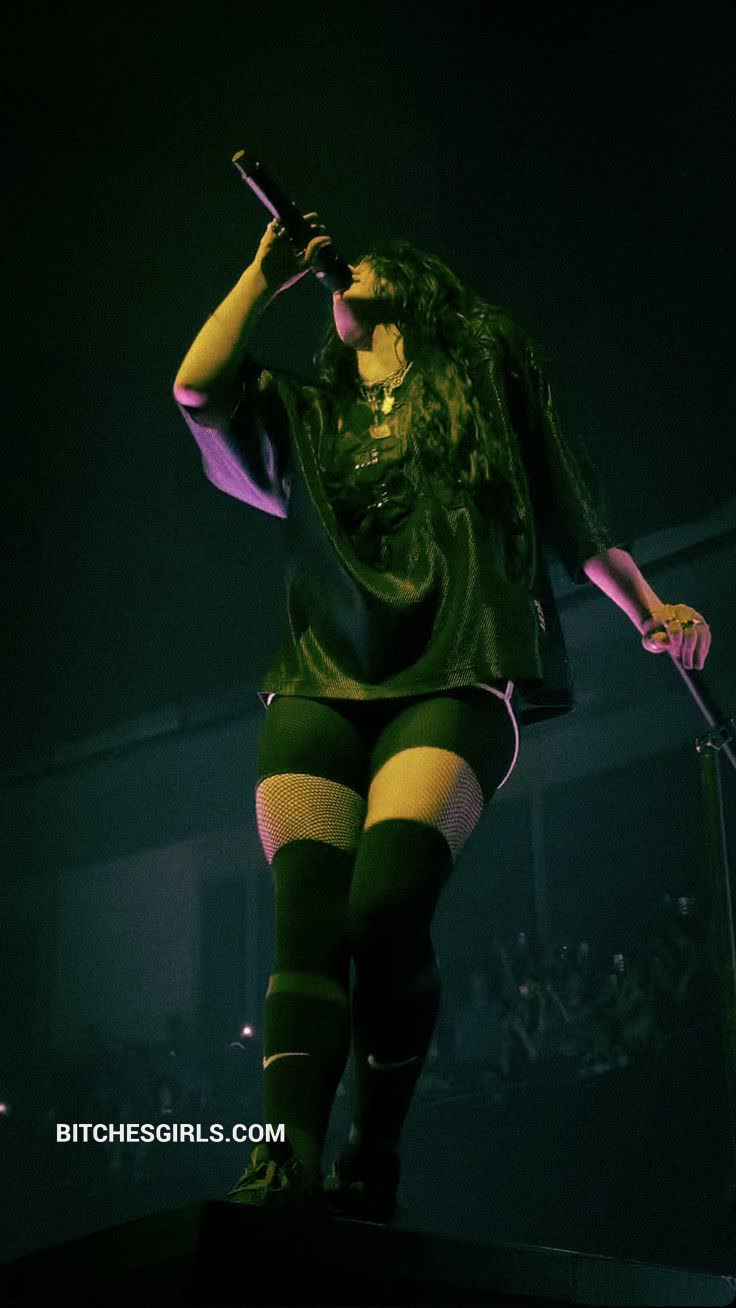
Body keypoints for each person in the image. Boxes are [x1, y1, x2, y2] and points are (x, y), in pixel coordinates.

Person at [172, 214, 712, 1220]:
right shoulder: (311, 414)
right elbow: (198, 387)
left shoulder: (486, 378)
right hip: (320, 683)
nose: (347, 271)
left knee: (383, 910)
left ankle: (372, 1153)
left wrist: (651, 610)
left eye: (369, 264)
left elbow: (573, 507)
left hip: (455, 675)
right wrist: (261, 275)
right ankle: (283, 1158)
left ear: (417, 290)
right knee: (306, 923)